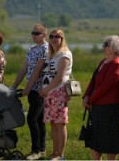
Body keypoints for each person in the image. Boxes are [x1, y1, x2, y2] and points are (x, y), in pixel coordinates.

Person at [83, 36, 119, 159]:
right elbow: (93, 80)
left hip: (109, 107)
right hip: (96, 106)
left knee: (109, 141)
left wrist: (90, 100)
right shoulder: (104, 61)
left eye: (106, 44)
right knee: (95, 139)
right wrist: (86, 97)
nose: (103, 47)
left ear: (114, 47)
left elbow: (105, 87)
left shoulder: (117, 64)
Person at [11, 23, 49, 160]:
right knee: (39, 120)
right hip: (32, 90)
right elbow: (24, 68)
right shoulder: (32, 49)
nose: (33, 35)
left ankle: (36, 150)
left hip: (39, 90)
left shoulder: (45, 49)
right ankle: (42, 148)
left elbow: (38, 70)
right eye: (32, 33)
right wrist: (14, 86)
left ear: (44, 35)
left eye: (36, 33)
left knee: (32, 119)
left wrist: (28, 87)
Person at [39, 29, 72, 161]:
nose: (53, 39)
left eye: (56, 36)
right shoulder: (52, 54)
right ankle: (55, 152)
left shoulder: (64, 54)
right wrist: (44, 89)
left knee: (60, 123)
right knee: (53, 123)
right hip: (49, 93)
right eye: (51, 36)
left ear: (62, 38)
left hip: (58, 92)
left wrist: (46, 90)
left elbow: (60, 77)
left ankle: (61, 154)